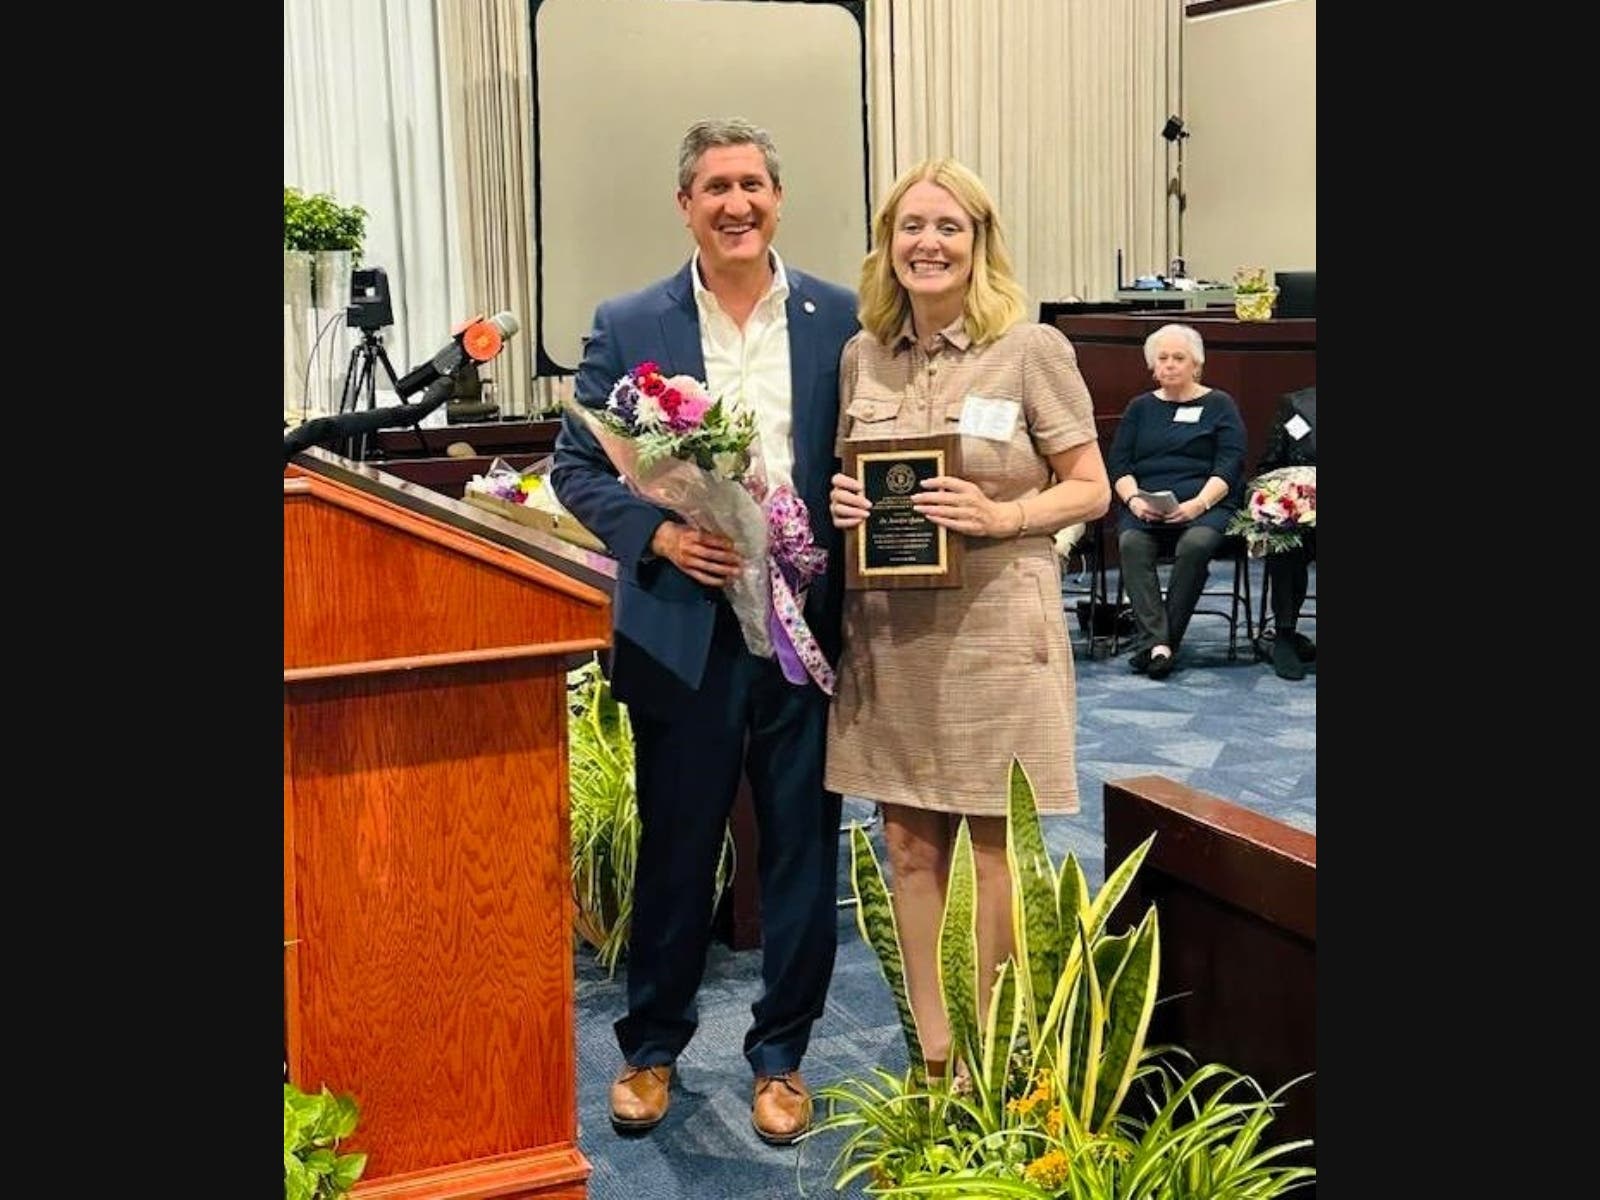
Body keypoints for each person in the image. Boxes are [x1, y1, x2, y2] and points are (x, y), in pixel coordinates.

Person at [549, 117, 859, 1145]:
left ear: (779, 198)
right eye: (715, 186)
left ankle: (782, 1057)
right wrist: (659, 538)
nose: (736, 203)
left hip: (808, 634)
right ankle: (650, 1047)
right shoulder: (629, 320)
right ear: (685, 204)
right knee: (677, 845)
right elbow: (579, 465)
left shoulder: (840, 318)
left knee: (803, 851)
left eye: (753, 185)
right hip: (683, 631)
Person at [826, 158, 1110, 1079]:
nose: (928, 243)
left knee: (994, 847)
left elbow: (1091, 489)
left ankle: (997, 1061)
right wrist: (844, 503)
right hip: (892, 643)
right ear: (888, 244)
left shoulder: (1032, 351)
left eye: (948, 227)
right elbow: (854, 472)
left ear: (979, 241)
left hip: (996, 636)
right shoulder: (862, 355)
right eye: (911, 227)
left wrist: (1002, 516)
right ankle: (935, 1057)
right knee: (908, 848)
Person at [1104, 323, 1247, 679]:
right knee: (1131, 543)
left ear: (1196, 364)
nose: (1169, 365)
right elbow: (1119, 464)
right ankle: (1159, 644)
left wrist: (1198, 504)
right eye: (1162, 358)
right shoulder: (1139, 408)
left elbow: (1230, 463)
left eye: (1178, 358)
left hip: (1207, 504)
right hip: (1148, 504)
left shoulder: (1219, 404)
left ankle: (1160, 642)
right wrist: (1135, 501)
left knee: (1196, 545)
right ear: (1152, 366)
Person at [1254, 384, 1317, 680]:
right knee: (1283, 534)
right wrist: (1281, 495)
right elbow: (1271, 465)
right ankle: (1284, 634)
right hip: (1303, 514)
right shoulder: (1295, 405)